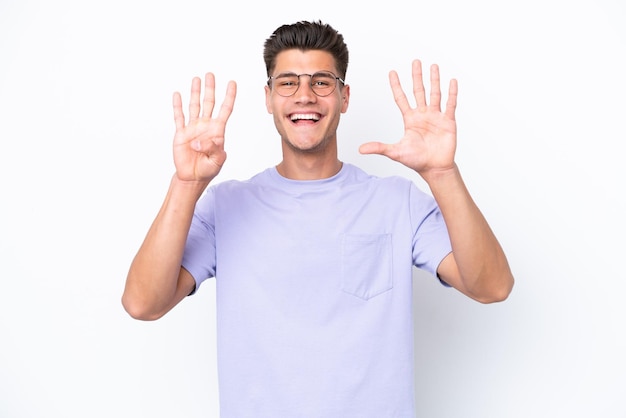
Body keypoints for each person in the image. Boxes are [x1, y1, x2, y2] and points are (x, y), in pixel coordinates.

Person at [122, 20, 514, 418]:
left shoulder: (397, 202)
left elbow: (493, 286)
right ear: (269, 97)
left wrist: (442, 175)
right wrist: (186, 183)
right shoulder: (225, 206)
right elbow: (143, 304)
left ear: (344, 97)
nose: (304, 96)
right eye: (287, 82)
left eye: (322, 82)